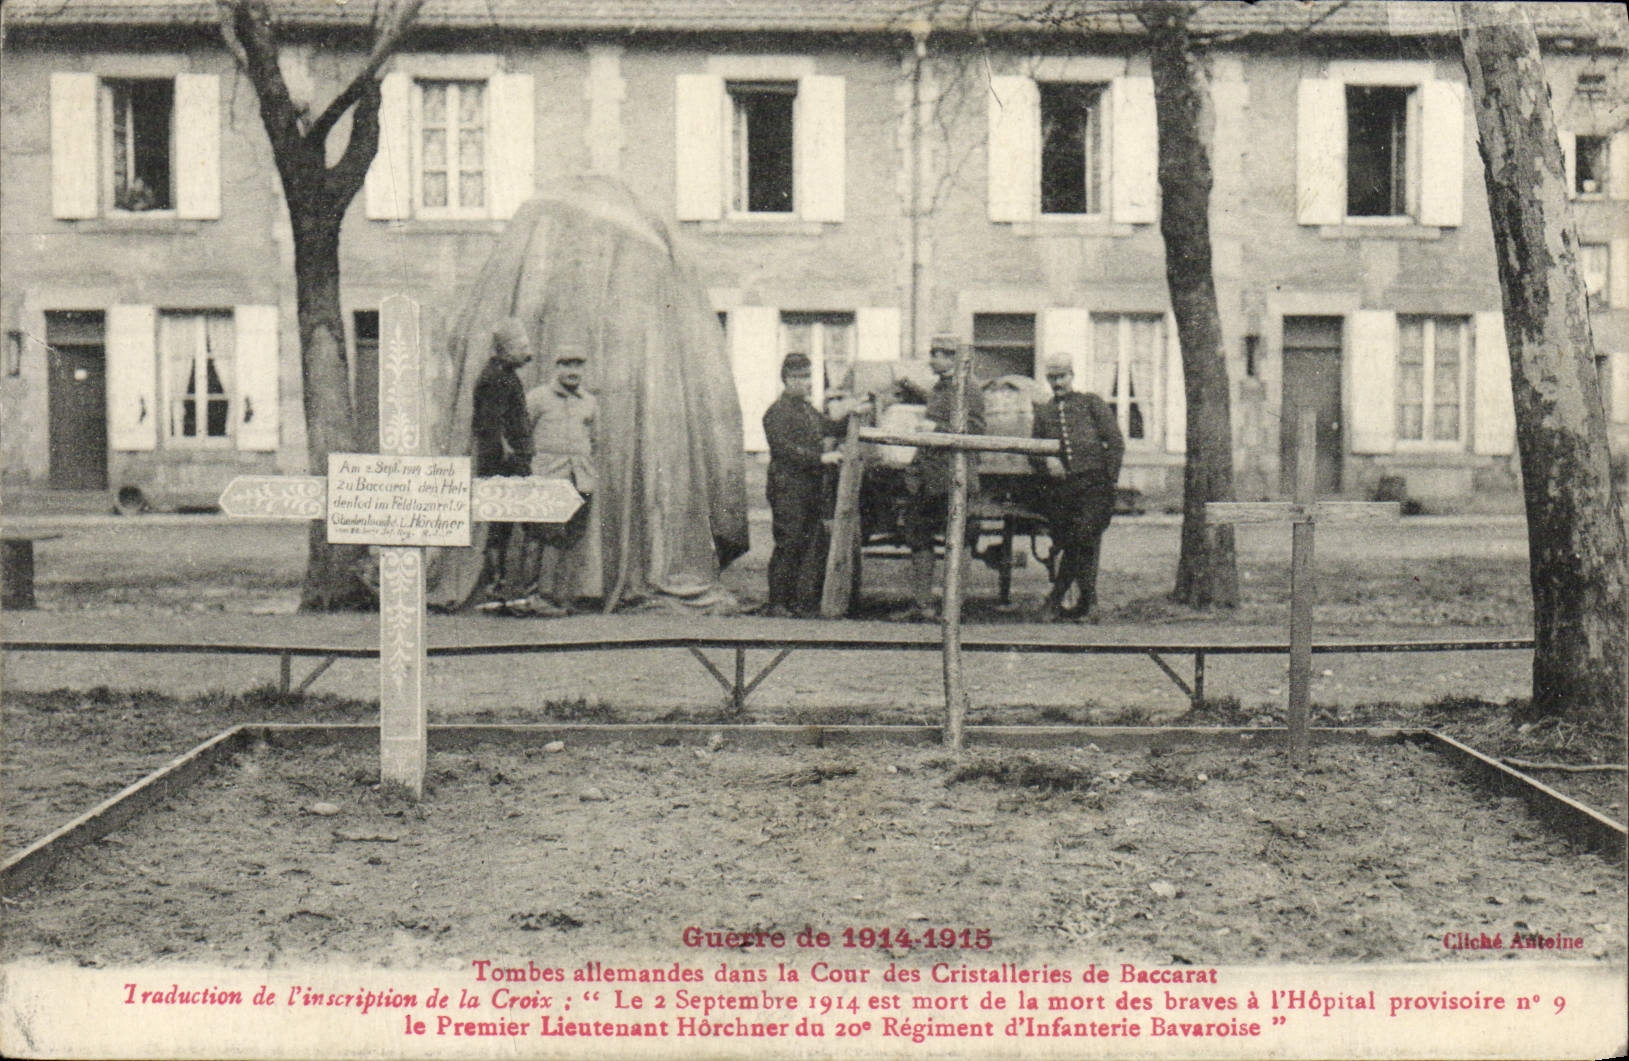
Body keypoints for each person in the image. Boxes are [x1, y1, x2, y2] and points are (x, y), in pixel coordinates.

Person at [891, 334, 985, 622]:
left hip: (953, 477)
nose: (933, 359)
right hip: (928, 478)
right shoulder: (940, 388)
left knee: (959, 540)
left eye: (939, 354)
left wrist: (936, 427)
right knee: (919, 537)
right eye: (933, 353)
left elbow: (977, 430)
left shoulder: (969, 389)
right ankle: (923, 605)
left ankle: (952, 608)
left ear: (953, 359)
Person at [1031, 356, 1124, 622]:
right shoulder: (1045, 411)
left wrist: (1109, 480)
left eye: (1062, 377)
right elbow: (1033, 450)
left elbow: (1115, 442)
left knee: (1080, 537)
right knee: (1079, 542)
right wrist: (1046, 461)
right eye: (1052, 378)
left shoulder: (1090, 403)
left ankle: (1055, 599)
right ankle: (1087, 604)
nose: (1057, 383)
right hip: (1063, 491)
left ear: (1072, 375)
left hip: (1095, 487)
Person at [517, 344, 598, 616]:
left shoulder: (589, 402)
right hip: (547, 478)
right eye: (567, 364)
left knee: (570, 538)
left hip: (580, 479)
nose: (573, 371)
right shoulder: (538, 398)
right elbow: (521, 434)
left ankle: (561, 596)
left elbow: (593, 440)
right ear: (556, 367)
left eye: (578, 365)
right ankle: (534, 597)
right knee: (541, 537)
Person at [762, 352, 844, 617]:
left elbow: (830, 427)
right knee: (789, 542)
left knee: (806, 543)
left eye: (809, 376)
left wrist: (853, 412)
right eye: (801, 377)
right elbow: (785, 451)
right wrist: (821, 458)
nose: (807, 382)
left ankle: (795, 601)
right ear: (787, 379)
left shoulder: (807, 410)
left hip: (808, 487)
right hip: (787, 488)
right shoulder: (776, 413)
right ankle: (777, 603)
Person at [471, 318, 534, 607]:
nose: (528, 353)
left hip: (511, 461)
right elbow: (489, 424)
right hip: (503, 464)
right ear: (505, 349)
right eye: (522, 347)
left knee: (505, 525)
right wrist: (508, 452)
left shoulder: (506, 375)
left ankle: (504, 586)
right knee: (500, 525)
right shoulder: (495, 377)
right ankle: (497, 586)